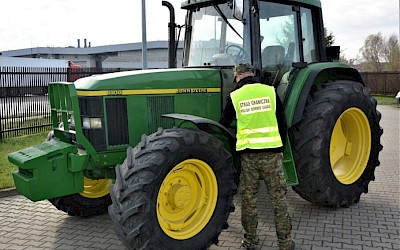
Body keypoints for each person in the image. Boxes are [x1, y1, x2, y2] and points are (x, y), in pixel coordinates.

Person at [220, 63, 295, 250]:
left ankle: (251, 241)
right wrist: (281, 149)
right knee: (278, 199)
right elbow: (282, 122)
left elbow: (223, 124)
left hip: (249, 158)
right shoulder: (270, 91)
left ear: (237, 77)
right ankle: (285, 243)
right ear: (252, 74)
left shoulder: (235, 97)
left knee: (249, 200)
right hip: (272, 155)